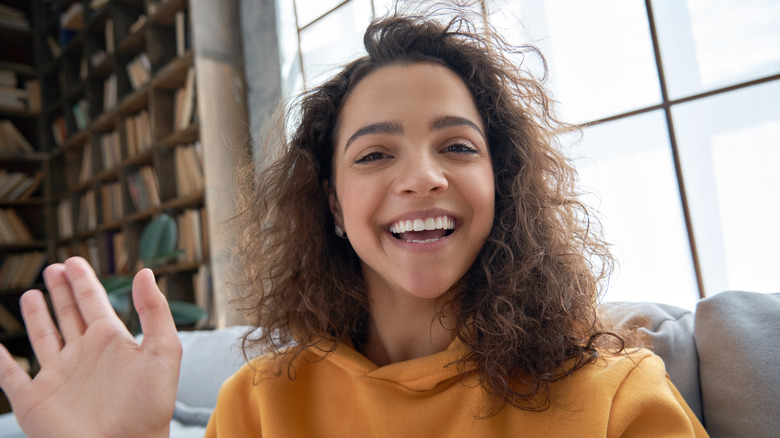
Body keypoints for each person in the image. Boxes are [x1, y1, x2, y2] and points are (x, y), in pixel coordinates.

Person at [0, 9, 706, 438]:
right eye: (374, 153)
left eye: (457, 145)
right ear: (332, 205)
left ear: (503, 185)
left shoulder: (615, 398)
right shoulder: (260, 404)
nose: (422, 175)